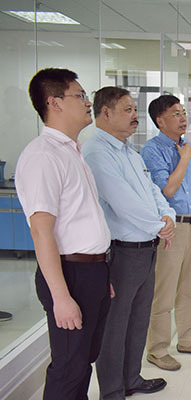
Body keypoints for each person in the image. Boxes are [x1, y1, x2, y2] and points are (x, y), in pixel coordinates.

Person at [15, 68, 112, 399]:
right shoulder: (43, 156)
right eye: (80, 95)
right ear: (53, 102)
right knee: (69, 367)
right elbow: (41, 232)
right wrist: (61, 297)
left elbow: (81, 219)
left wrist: (100, 271)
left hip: (91, 270)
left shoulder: (72, 151)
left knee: (84, 362)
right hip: (70, 274)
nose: (88, 103)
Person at [83, 87, 176, 399]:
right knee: (115, 325)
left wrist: (168, 217)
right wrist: (160, 227)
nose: (135, 115)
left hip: (146, 248)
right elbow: (124, 204)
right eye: (128, 110)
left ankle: (131, 379)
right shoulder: (97, 152)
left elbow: (152, 192)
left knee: (138, 320)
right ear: (105, 112)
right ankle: (112, 391)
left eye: (135, 109)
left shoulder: (129, 153)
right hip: (121, 252)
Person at [141, 94, 191, 371]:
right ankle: (157, 349)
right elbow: (168, 190)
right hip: (170, 229)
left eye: (183, 112)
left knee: (187, 289)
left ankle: (188, 339)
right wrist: (184, 159)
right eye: (175, 113)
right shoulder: (152, 150)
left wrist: (186, 155)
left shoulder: (186, 146)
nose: (183, 118)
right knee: (164, 291)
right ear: (160, 120)